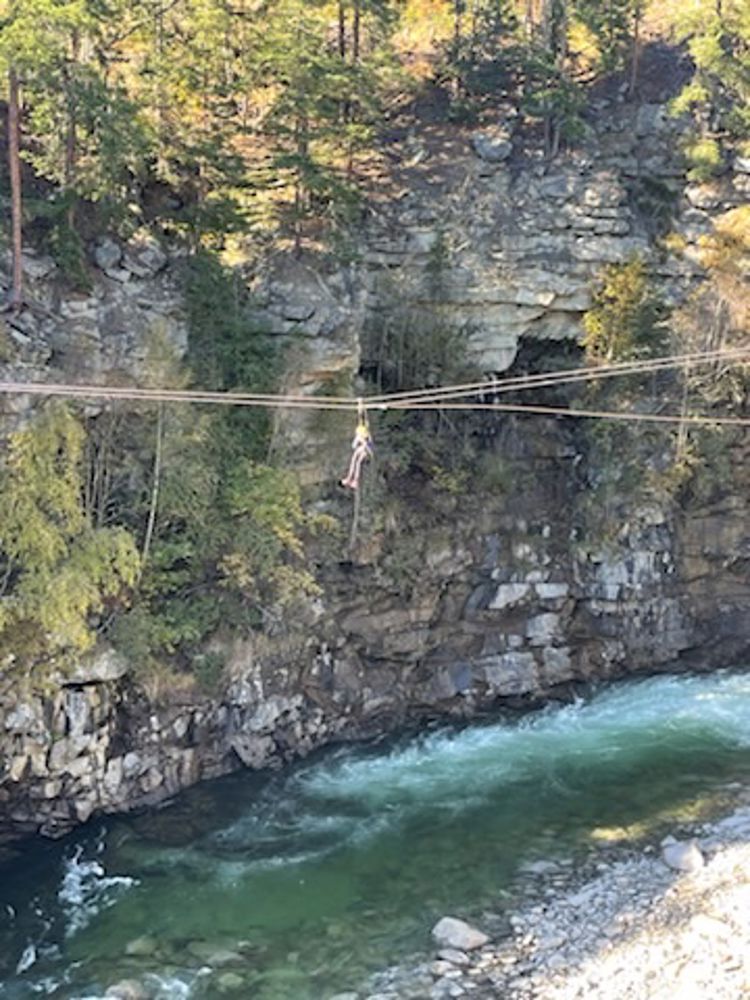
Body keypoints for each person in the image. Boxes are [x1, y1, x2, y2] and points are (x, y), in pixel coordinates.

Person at [341, 415, 373, 490]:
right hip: (366, 448)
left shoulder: (360, 433)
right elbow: (367, 442)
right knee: (357, 462)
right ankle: (354, 479)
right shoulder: (363, 435)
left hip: (365, 446)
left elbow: (363, 439)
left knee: (355, 459)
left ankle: (352, 479)